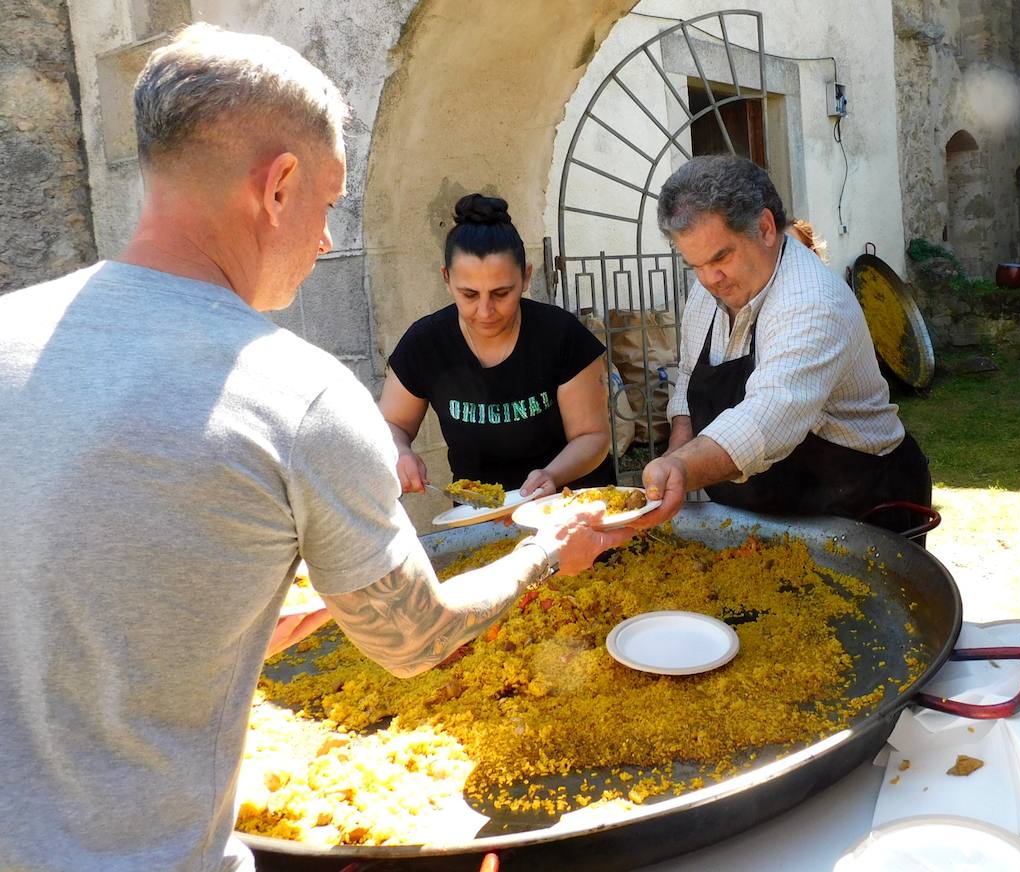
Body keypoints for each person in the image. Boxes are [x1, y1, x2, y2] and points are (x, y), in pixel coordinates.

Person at [0, 25, 632, 872]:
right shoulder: (294, 392)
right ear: (280, 186)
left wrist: (284, 610)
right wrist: (545, 554)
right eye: (331, 204)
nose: (328, 239)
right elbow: (413, 640)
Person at [640, 155, 931, 533]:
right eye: (695, 265)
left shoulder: (813, 303)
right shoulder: (706, 292)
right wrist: (677, 451)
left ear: (764, 228)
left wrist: (680, 469)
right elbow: (687, 378)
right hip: (769, 510)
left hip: (859, 507)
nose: (710, 279)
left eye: (721, 257)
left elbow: (767, 419)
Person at [380, 193, 614, 500]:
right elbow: (391, 423)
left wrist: (552, 476)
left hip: (571, 504)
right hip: (479, 513)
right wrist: (398, 451)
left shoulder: (560, 335)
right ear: (447, 279)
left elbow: (593, 437)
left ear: (526, 277)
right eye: (469, 295)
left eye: (501, 293)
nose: (486, 310)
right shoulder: (425, 344)